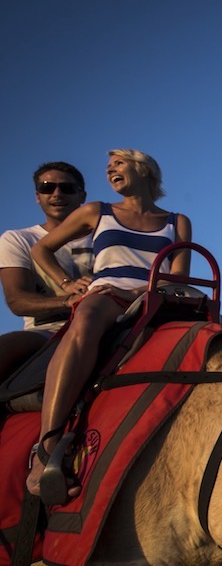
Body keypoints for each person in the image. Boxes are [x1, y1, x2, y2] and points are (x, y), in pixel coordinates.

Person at [25, 149, 191, 501]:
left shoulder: (177, 221)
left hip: (156, 297)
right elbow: (41, 249)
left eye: (118, 163)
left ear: (143, 169)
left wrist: (139, 291)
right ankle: (46, 449)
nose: (110, 170)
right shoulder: (97, 211)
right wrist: (68, 285)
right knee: (86, 318)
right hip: (108, 294)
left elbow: (178, 276)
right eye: (108, 166)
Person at [0, 162, 92, 382]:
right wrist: (68, 301)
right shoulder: (18, 239)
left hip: (110, 321)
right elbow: (17, 301)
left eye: (67, 188)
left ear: (82, 196)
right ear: (37, 196)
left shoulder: (106, 236)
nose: (57, 194)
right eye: (47, 188)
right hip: (48, 330)